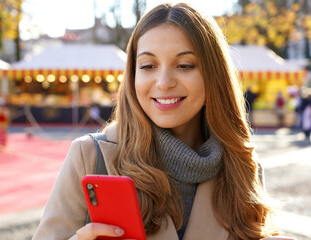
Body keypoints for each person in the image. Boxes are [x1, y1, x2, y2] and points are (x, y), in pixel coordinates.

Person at [32, 3, 293, 240]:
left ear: (214, 75)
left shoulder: (242, 164)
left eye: (185, 65)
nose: (164, 82)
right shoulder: (91, 156)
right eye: (147, 66)